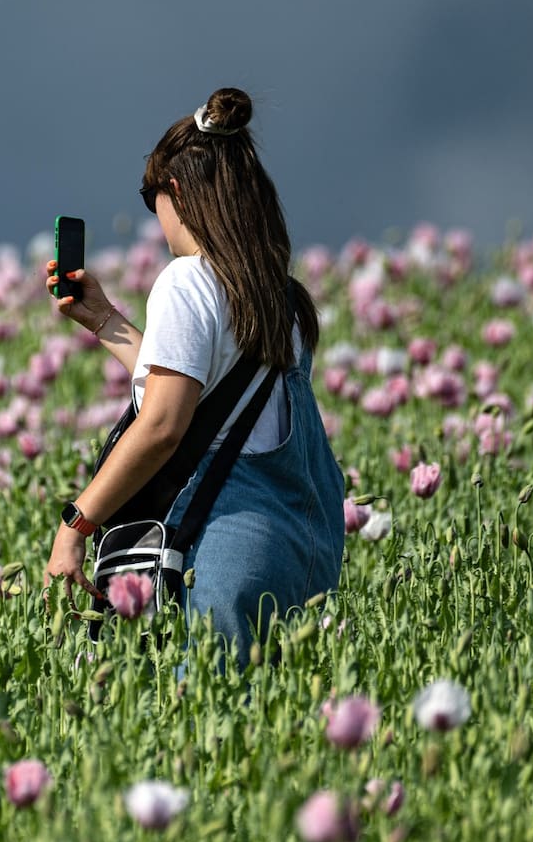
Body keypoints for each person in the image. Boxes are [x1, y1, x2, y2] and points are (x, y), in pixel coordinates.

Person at [43, 86, 345, 668]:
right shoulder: (281, 299)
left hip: (225, 557)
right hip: (301, 556)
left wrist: (77, 523)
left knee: (202, 740)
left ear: (175, 191)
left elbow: (163, 424)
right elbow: (204, 398)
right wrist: (105, 322)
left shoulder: (187, 280)